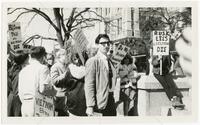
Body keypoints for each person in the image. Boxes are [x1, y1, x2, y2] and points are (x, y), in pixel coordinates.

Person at [84, 34, 116, 116]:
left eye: (108, 43)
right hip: (99, 103)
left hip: (110, 100)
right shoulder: (93, 61)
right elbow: (89, 84)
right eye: (103, 43)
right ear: (97, 45)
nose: (106, 45)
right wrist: (90, 106)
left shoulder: (109, 61)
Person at [18, 46, 55, 117]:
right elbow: (43, 89)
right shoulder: (43, 68)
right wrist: (53, 91)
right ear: (43, 57)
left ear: (30, 56)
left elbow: (20, 92)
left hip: (25, 105)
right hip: (38, 105)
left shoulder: (23, 71)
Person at [64, 52, 88, 116]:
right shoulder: (89, 69)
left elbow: (65, 83)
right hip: (85, 98)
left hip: (71, 98)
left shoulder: (69, 69)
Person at [7, 50, 29, 116]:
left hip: (11, 98)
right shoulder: (19, 73)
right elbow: (16, 90)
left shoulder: (12, 70)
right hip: (17, 100)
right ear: (25, 60)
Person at [50, 49, 69, 116]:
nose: (67, 56)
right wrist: (66, 74)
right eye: (65, 54)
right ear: (59, 56)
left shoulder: (66, 65)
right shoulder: (55, 66)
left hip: (67, 96)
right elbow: (55, 81)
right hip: (60, 97)